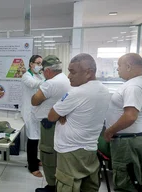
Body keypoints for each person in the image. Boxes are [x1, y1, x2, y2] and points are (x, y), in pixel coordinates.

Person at [48, 53, 111, 191]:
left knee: (67, 186)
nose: (69, 76)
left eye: (73, 72)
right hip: (90, 149)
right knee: (88, 187)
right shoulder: (104, 90)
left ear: (88, 72)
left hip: (70, 152)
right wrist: (63, 113)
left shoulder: (76, 93)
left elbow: (52, 116)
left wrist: (62, 114)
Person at [104, 53, 142, 191]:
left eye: (119, 66)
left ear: (129, 66)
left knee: (125, 183)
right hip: (133, 139)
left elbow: (130, 116)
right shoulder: (141, 82)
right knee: (133, 179)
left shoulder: (133, 86)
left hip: (127, 142)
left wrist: (110, 130)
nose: (117, 69)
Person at [31, 55, 71, 192]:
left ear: (47, 71)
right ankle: (55, 185)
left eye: (43, 71)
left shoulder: (51, 83)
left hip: (50, 125)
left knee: (48, 155)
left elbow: (34, 100)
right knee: (56, 156)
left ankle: (52, 186)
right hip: (59, 123)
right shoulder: (65, 79)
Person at [21, 55, 44, 177]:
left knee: (37, 137)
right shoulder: (26, 76)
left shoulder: (39, 75)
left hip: (37, 110)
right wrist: (49, 81)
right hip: (29, 111)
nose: (40, 66)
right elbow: (34, 85)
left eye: (41, 63)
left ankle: (35, 160)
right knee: (32, 138)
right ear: (31, 64)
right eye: (38, 63)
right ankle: (32, 167)